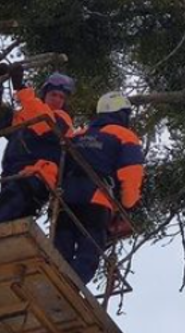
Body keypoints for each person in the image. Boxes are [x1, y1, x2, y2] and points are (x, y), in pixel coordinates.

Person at [54, 91, 144, 283]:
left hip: (64, 199)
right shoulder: (124, 135)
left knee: (60, 249)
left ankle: (51, 281)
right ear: (120, 113)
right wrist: (127, 204)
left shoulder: (77, 135)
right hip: (96, 199)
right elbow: (131, 173)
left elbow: (59, 164)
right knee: (89, 252)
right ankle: (66, 288)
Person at [0, 64, 76, 227]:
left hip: (38, 174)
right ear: (45, 95)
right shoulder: (23, 118)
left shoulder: (62, 120)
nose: (58, 100)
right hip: (12, 174)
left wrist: (21, 88)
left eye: (62, 97)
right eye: (54, 94)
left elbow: (44, 123)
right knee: (10, 220)